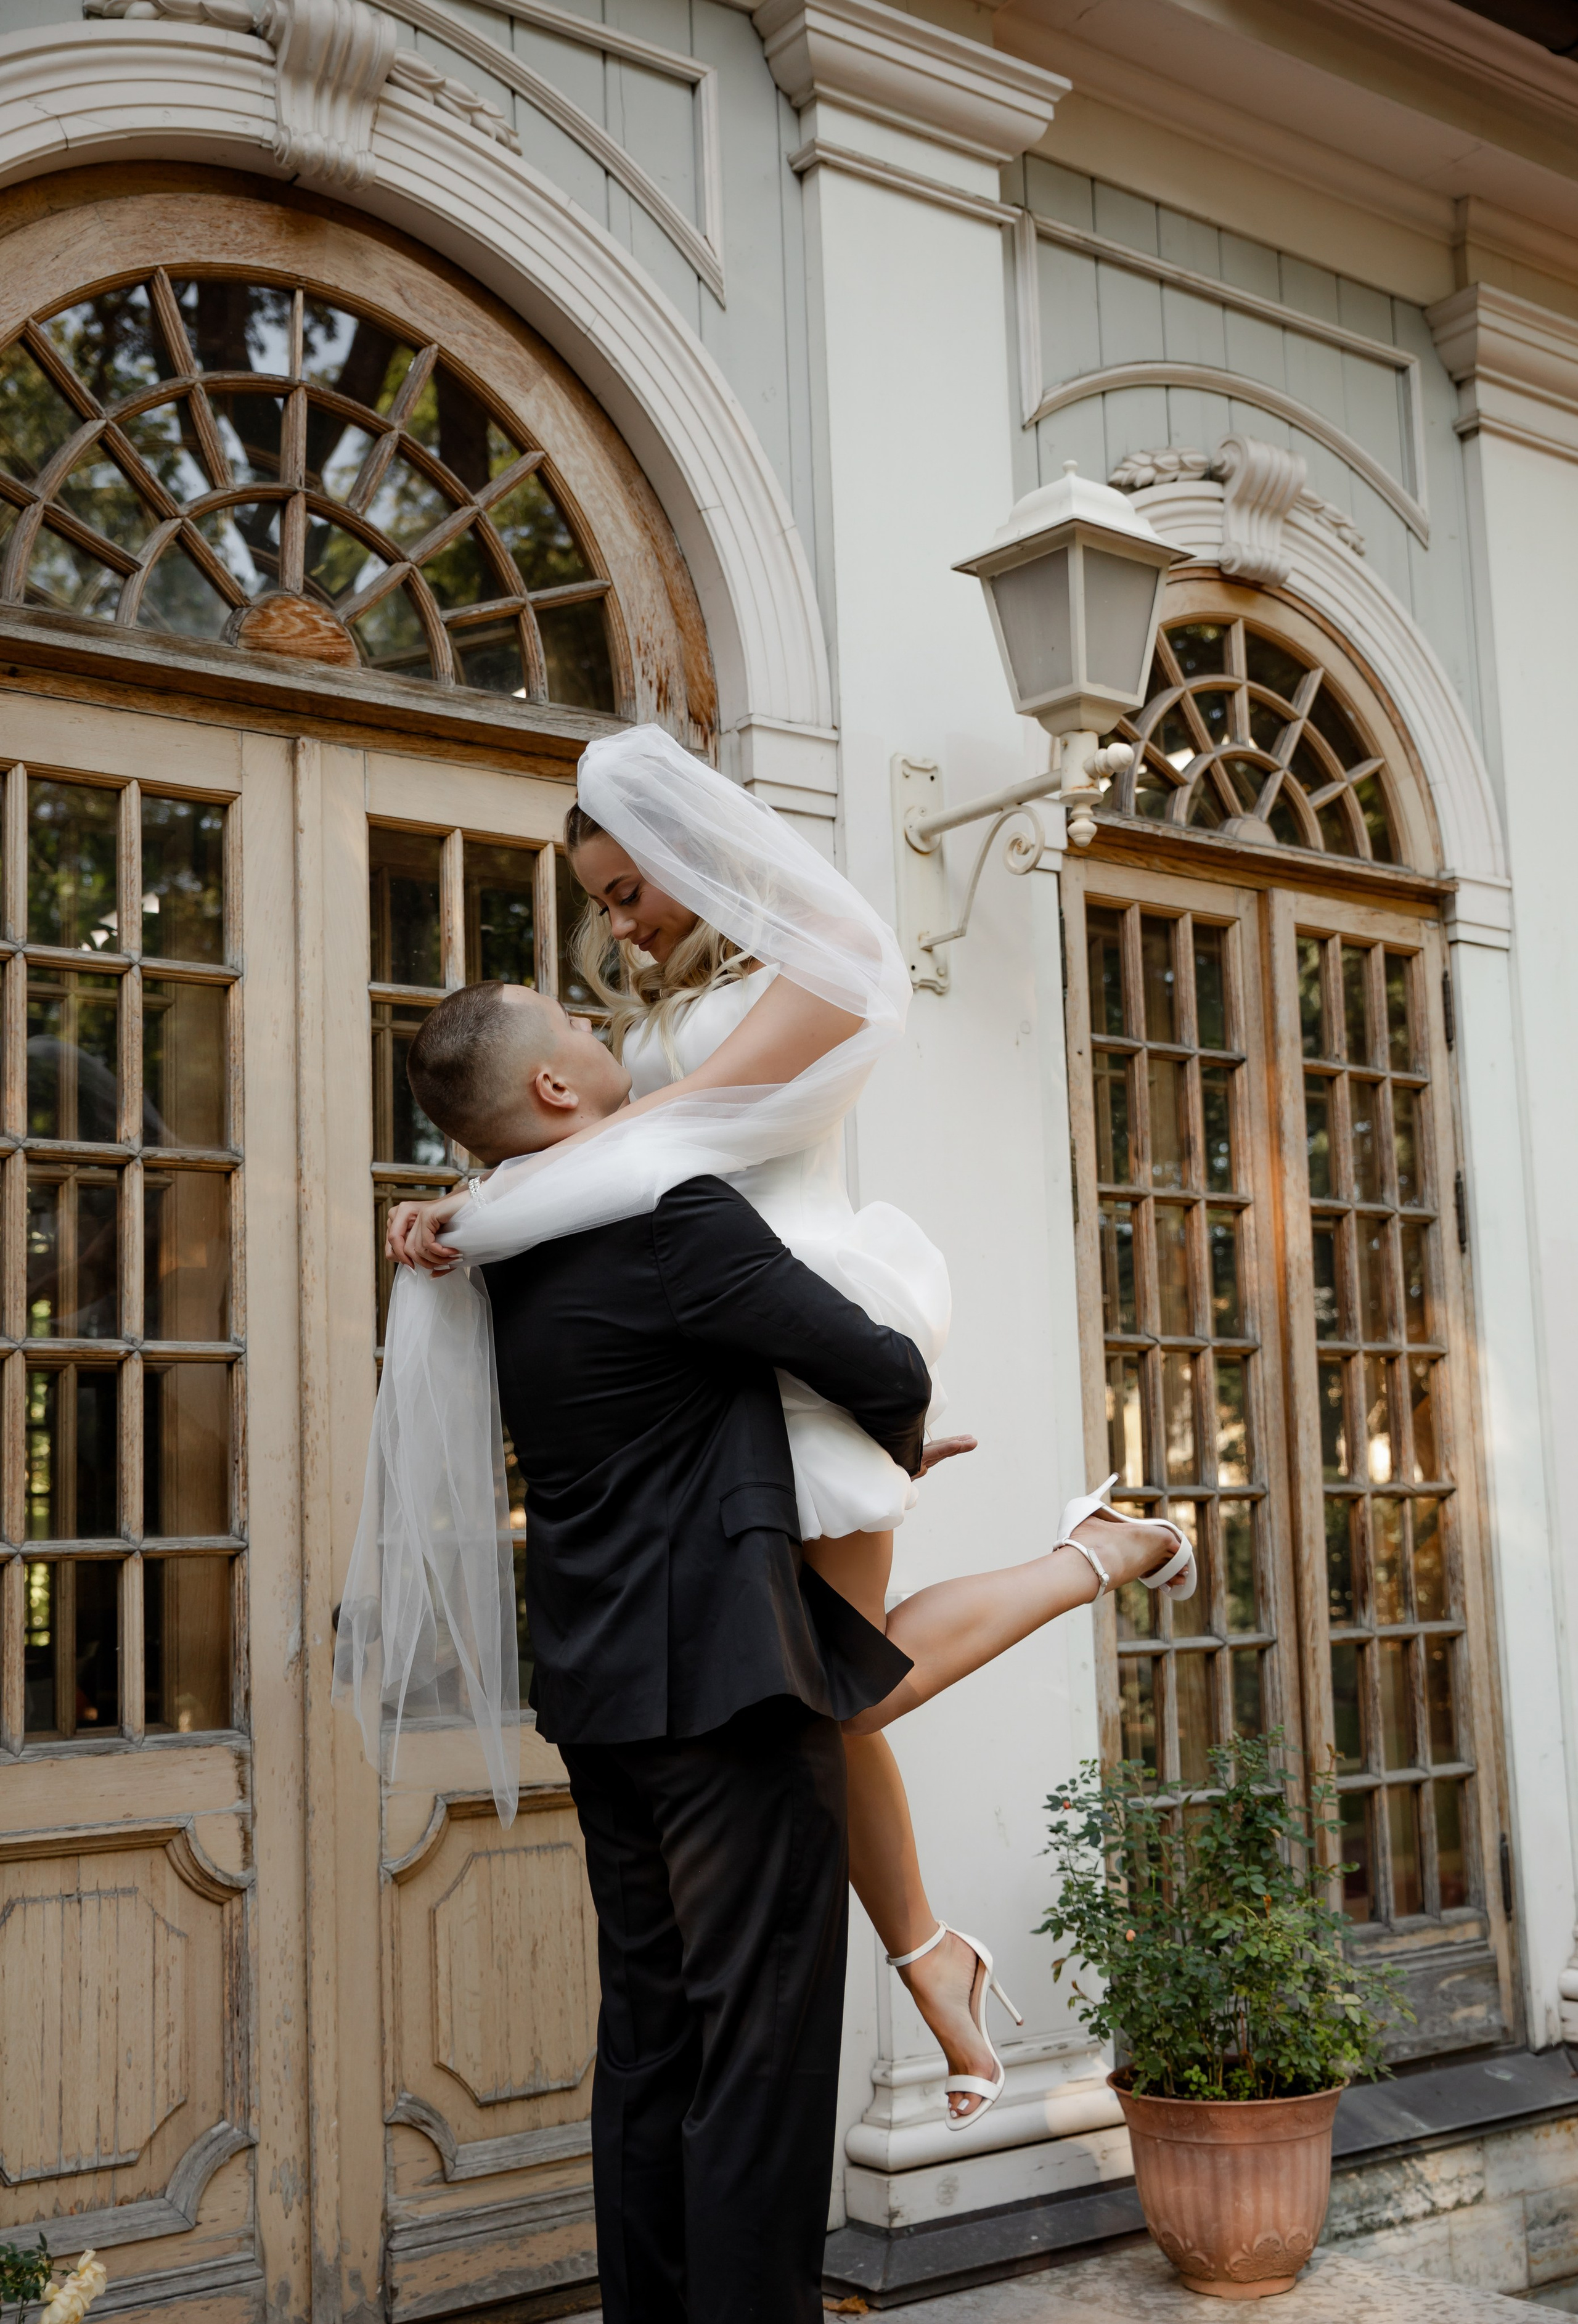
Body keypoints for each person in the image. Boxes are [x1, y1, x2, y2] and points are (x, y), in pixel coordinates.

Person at [371, 732, 1193, 2122]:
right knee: (825, 1692)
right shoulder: (631, 1046)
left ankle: (1096, 1560)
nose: (618, 923)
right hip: (714, 1359)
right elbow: (578, 1136)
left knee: (838, 1685)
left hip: (797, 1319)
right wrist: (462, 1197)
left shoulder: (803, 971)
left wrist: (520, 1184)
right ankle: (932, 1951)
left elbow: (690, 1123)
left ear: (695, 856)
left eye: (631, 889)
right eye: (605, 898)